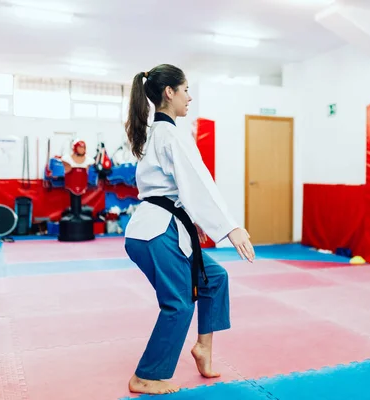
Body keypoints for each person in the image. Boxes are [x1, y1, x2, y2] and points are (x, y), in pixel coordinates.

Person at [123, 64, 255, 395]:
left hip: (160, 228)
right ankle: (146, 376)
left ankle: (203, 348)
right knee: (179, 303)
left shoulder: (160, 132)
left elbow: (179, 188)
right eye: (185, 90)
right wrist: (231, 228)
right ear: (169, 92)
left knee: (214, 278)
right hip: (157, 232)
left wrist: (192, 222)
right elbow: (198, 184)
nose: (189, 97)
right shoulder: (170, 134)